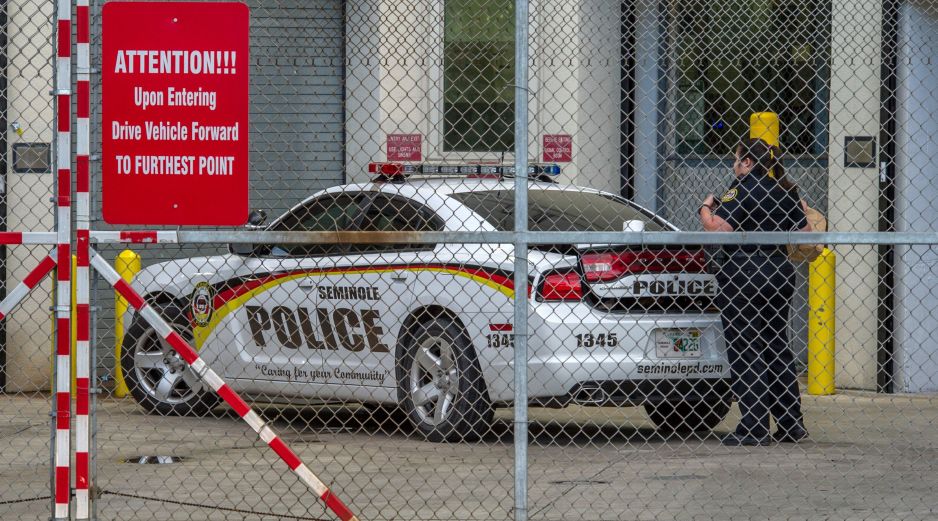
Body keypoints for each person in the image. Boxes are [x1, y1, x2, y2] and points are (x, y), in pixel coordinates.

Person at [699, 137, 812, 446]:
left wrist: (706, 207)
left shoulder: (740, 189)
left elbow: (720, 228)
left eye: (736, 159)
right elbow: (804, 234)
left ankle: (754, 426)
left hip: (744, 274)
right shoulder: (785, 191)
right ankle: (791, 424)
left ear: (747, 162)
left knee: (746, 349)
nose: (734, 165)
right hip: (779, 271)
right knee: (776, 346)